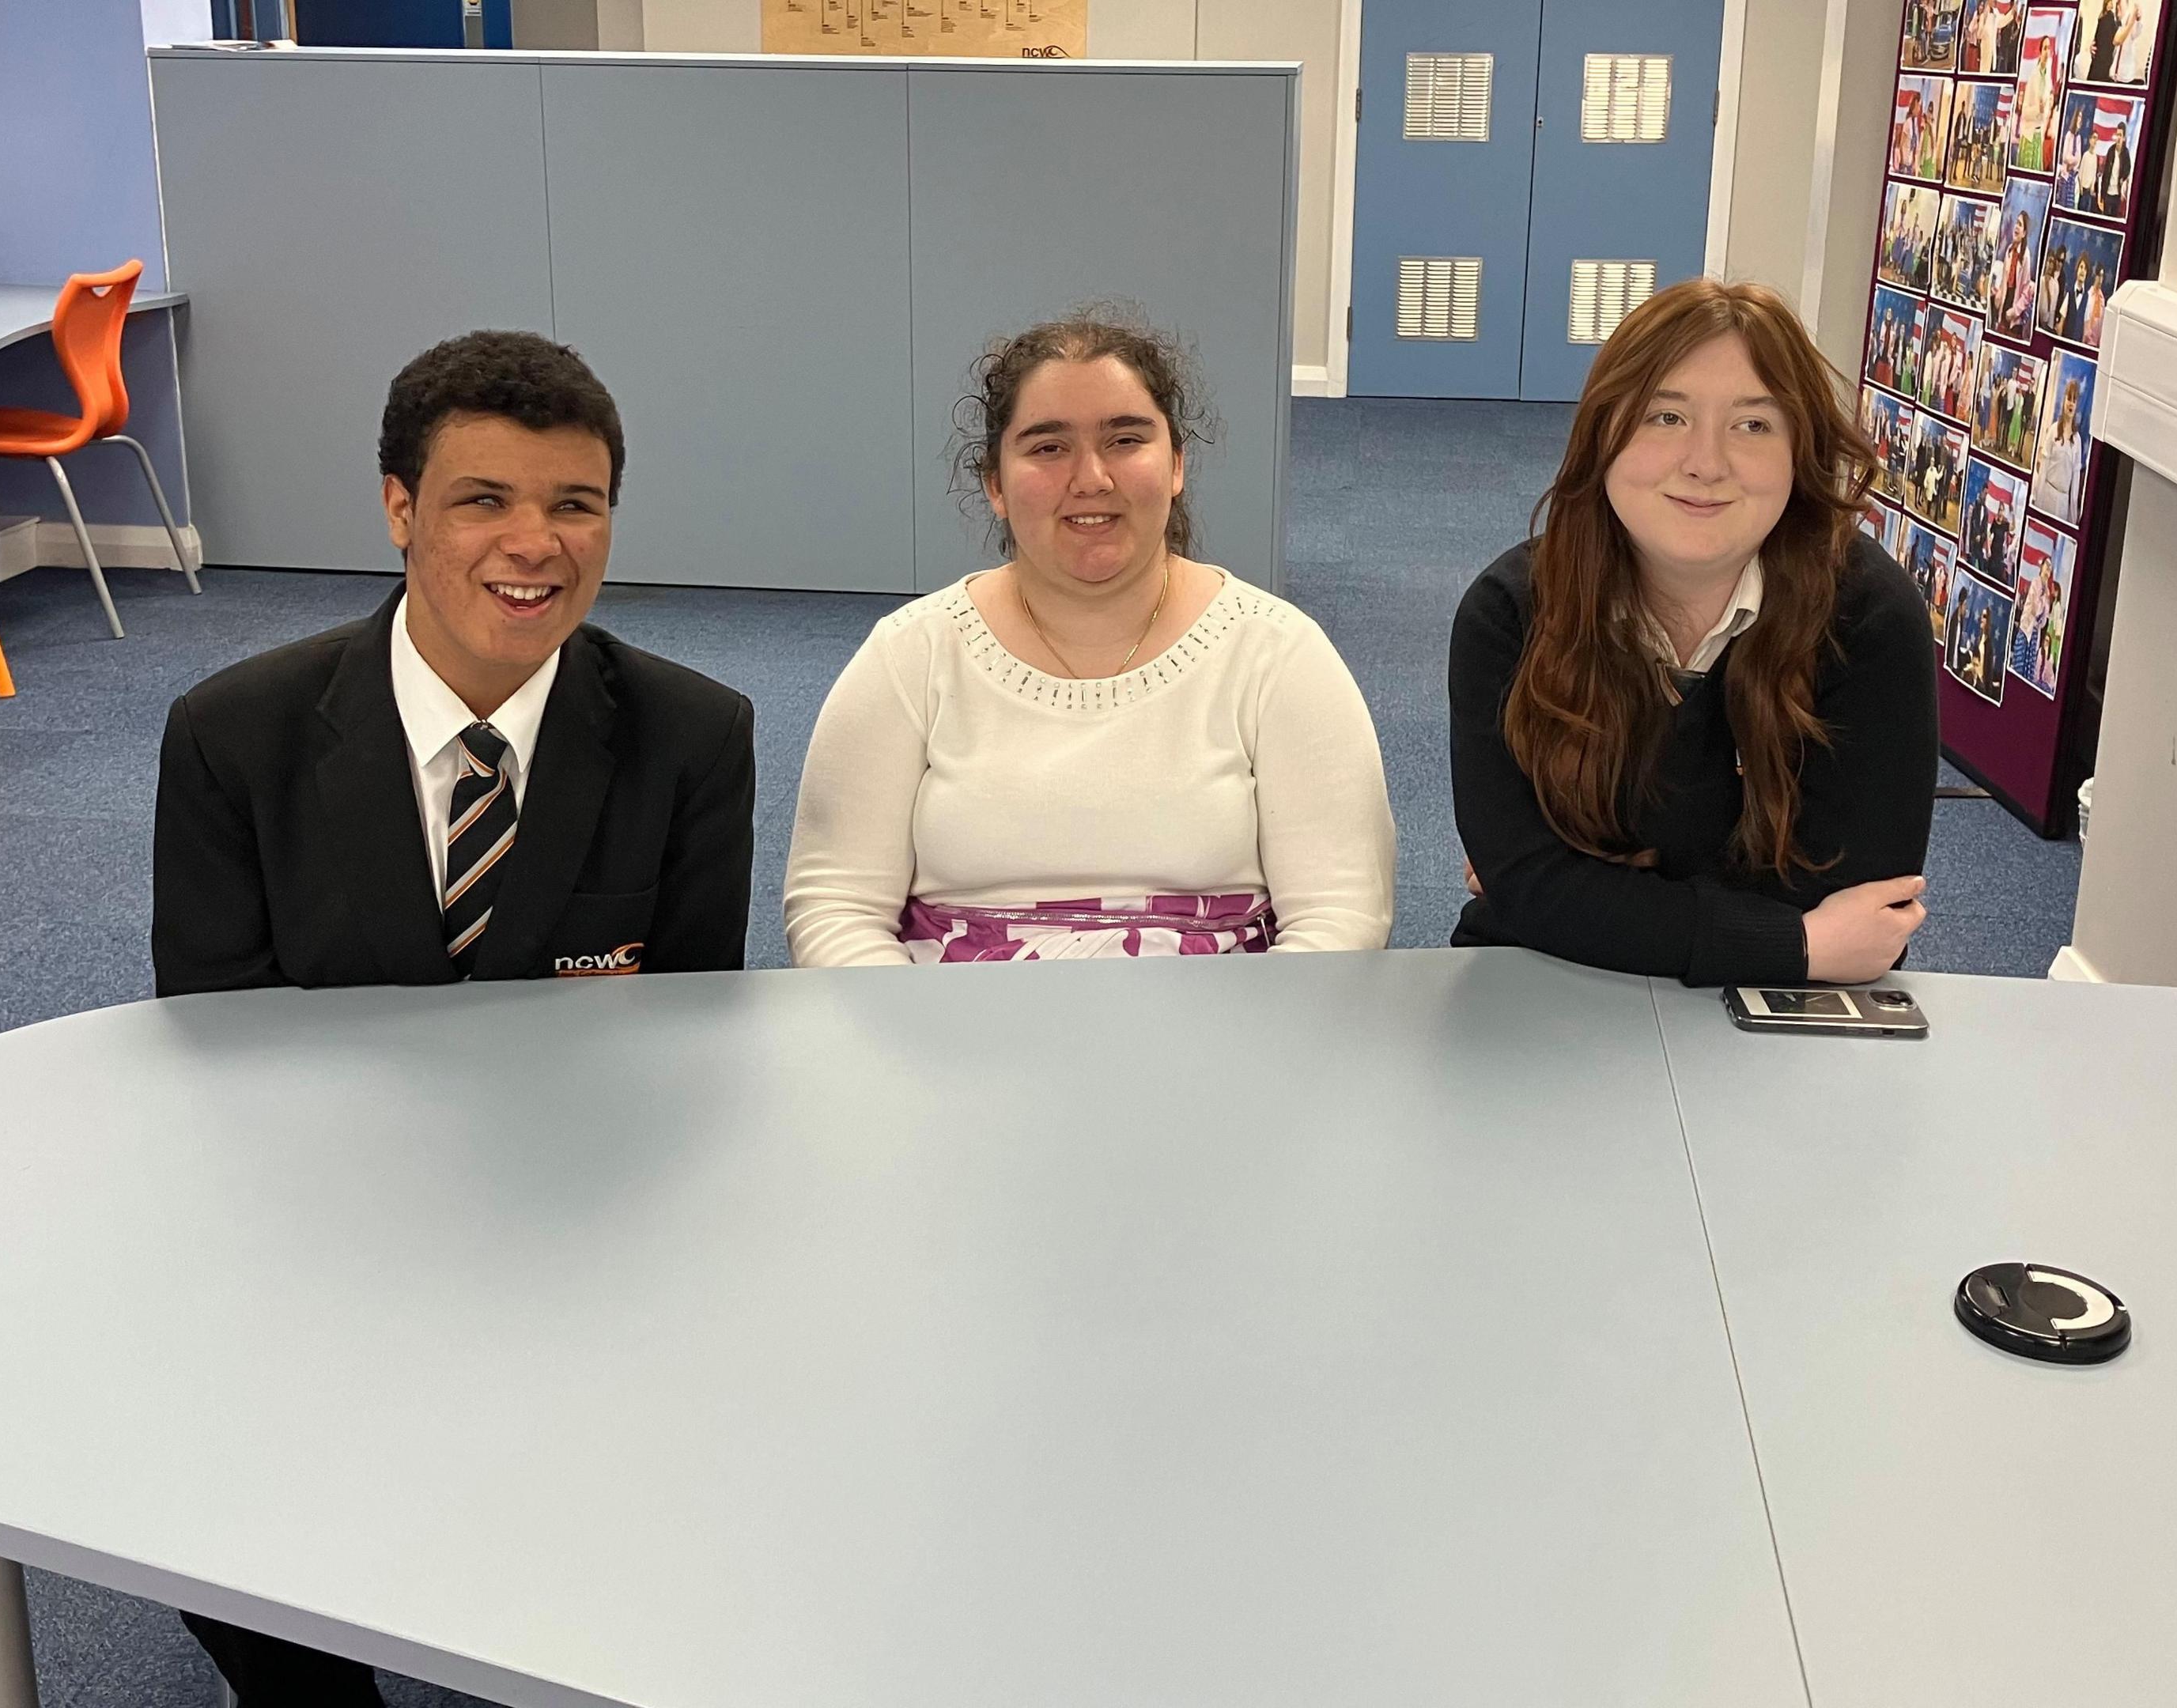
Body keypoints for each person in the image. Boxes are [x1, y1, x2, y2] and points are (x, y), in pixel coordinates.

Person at [152, 332, 757, 1700]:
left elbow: (690, 1046)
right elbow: (209, 1057)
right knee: (209, 1502)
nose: (534, 544)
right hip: (317, 1223)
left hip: (583, 1215)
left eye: (576, 503)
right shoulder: (233, 738)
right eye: (484, 499)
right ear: (399, 510)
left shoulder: (692, 736)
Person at [785, 307, 1393, 964]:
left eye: (1126, 440)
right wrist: (921, 1054)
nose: (1091, 478)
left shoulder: (1276, 653)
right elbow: (835, 908)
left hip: (1224, 1047)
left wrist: (1231, 1060)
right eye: (1049, 447)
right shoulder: (912, 656)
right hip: (950, 1045)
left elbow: (1342, 914)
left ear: (1178, 464)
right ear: (995, 482)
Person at [1449, 278, 1937, 985]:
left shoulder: (1868, 616)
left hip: (1773, 1005)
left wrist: (1593, 892)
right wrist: (1794, 941)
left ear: (1801, 453)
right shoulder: (1511, 614)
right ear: (1603, 435)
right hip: (1545, 975)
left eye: (1753, 425)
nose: (1706, 464)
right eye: (1666, 418)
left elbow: (1867, 908)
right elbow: (1527, 890)